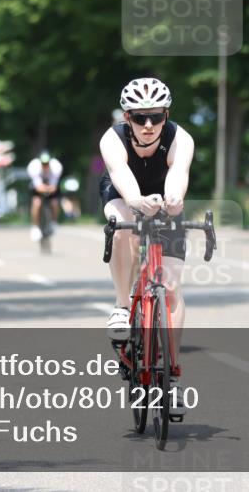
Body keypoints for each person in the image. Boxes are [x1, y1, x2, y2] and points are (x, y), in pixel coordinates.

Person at [99, 77, 194, 416]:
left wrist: (174, 199)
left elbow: (178, 173)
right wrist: (136, 201)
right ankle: (123, 305)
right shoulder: (112, 139)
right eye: (140, 118)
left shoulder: (181, 138)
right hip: (124, 194)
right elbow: (120, 175)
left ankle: (172, 375)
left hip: (164, 197)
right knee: (122, 224)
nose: (149, 125)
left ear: (166, 115)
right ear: (128, 118)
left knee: (172, 287)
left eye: (156, 116)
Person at [27, 150, 63, 241]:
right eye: (43, 164)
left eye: (47, 163)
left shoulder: (56, 167)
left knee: (54, 203)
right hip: (39, 186)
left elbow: (54, 187)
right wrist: (46, 188)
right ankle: (35, 227)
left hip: (50, 185)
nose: (45, 165)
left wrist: (48, 188)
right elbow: (38, 187)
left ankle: (53, 222)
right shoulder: (33, 167)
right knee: (36, 203)